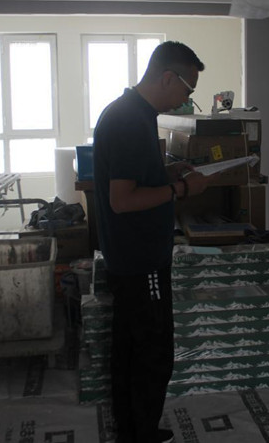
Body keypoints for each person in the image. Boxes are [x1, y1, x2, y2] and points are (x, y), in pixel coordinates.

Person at [93, 41, 211, 443]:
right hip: (140, 259)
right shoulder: (130, 121)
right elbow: (123, 200)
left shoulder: (130, 112)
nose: (186, 101)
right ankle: (140, 433)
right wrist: (181, 189)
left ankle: (131, 430)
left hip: (129, 255)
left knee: (130, 346)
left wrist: (167, 172)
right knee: (153, 352)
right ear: (167, 77)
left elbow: (134, 177)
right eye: (187, 90)